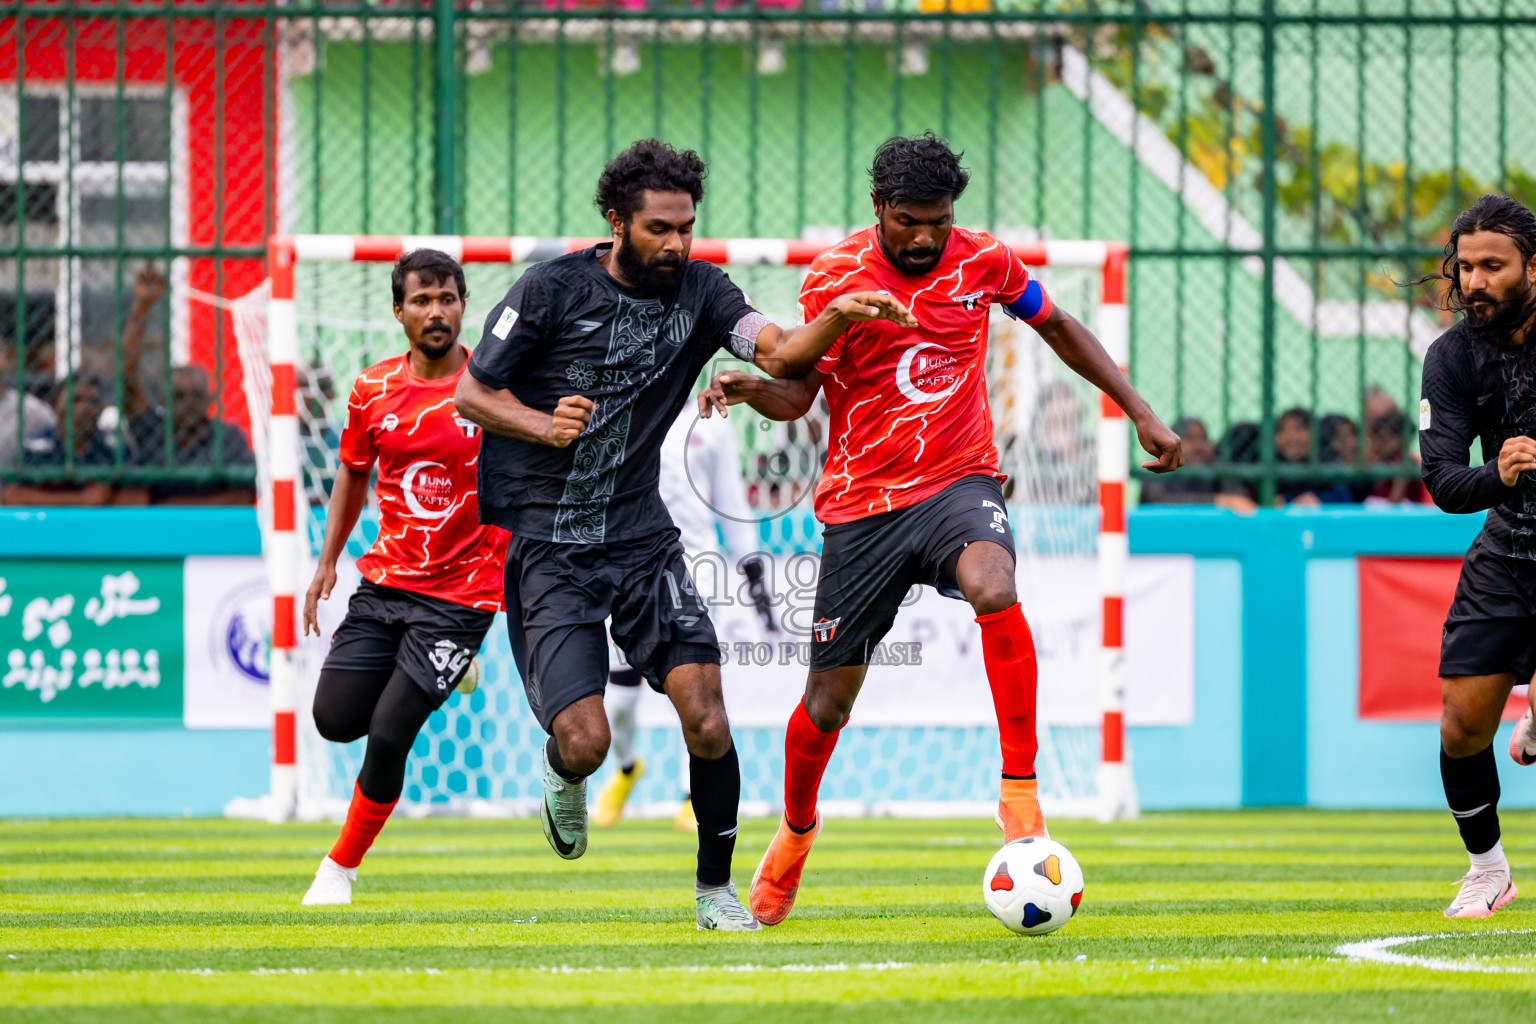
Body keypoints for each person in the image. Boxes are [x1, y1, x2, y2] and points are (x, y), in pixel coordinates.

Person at [699, 132, 1182, 926]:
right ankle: (792, 835)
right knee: (825, 702)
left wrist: (1140, 410)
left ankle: (1020, 793)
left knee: (994, 582)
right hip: (860, 506)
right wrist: (754, 388)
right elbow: (799, 395)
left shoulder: (982, 260)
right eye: (908, 221)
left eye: (938, 220)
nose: (925, 236)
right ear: (878, 209)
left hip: (959, 479)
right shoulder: (837, 278)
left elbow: (1058, 327)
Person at [452, 138, 914, 931]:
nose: (676, 244)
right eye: (659, 228)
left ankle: (714, 892)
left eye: (686, 228)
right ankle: (564, 771)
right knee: (589, 741)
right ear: (616, 221)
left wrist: (837, 312)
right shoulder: (548, 290)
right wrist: (540, 423)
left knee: (706, 713)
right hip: (552, 548)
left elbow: (782, 351)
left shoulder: (703, 292)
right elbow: (471, 394)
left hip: (642, 541)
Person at [299, 249, 509, 906]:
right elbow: (354, 475)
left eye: (447, 298)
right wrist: (328, 560)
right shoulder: (371, 390)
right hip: (387, 583)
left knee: (391, 731)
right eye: (421, 300)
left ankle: (338, 869)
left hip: (465, 592)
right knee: (335, 721)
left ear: (462, 305)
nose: (436, 311)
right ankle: (456, 668)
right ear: (399, 312)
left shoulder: (495, 386)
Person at [1416, 193, 1536, 918]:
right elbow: (1444, 482)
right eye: (1466, 268)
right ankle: (1487, 870)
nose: (1475, 282)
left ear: (1534, 266)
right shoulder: (1451, 356)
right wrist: (1500, 475)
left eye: (1493, 266)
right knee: (1461, 727)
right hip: (1509, 546)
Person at [592, 404, 780, 832]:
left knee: (694, 691)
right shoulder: (621, 407)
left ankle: (689, 796)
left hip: (693, 571)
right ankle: (625, 769)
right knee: (619, 701)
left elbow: (733, 506)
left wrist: (758, 589)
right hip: (627, 571)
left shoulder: (709, 423)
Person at [1139, 416, 1258, 513]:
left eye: (1203, 438)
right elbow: (1156, 500)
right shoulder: (1158, 466)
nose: (1199, 446)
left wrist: (1227, 500)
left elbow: (1240, 497)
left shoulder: (1216, 465)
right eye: (1190, 438)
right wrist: (1216, 501)